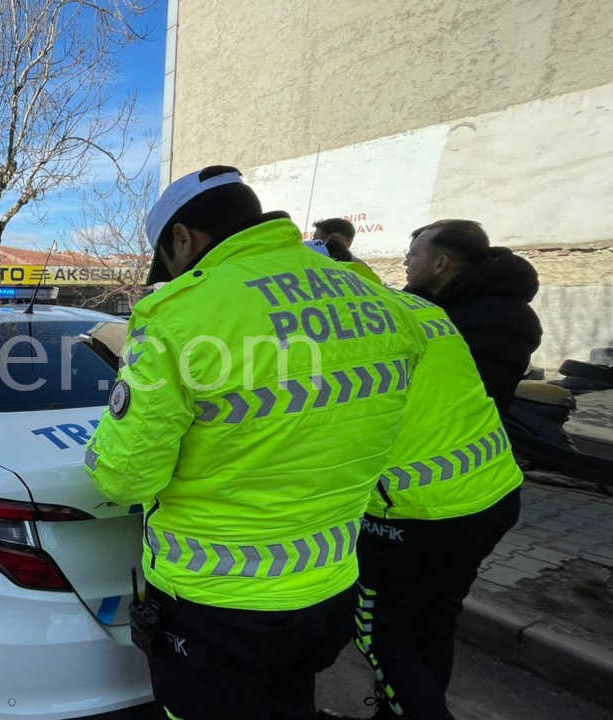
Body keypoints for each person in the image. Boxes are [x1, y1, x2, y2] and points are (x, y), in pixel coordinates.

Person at [85, 166, 429, 720]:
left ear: (182, 239)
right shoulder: (372, 298)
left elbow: (128, 478)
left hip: (218, 603)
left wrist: (100, 446)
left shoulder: (180, 315)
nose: (169, 274)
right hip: (331, 580)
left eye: (168, 260)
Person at [320, 268, 524, 720]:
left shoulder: (338, 329)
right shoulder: (420, 308)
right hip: (492, 493)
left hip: (416, 513)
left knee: (381, 635)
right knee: (435, 620)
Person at [403, 219, 542, 416]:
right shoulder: (424, 303)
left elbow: (454, 397)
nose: (406, 262)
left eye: (413, 254)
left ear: (440, 263)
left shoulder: (501, 319)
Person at [311, 218, 382, 284]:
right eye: (314, 239)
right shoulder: (361, 267)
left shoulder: (359, 267)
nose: (314, 242)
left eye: (322, 238)